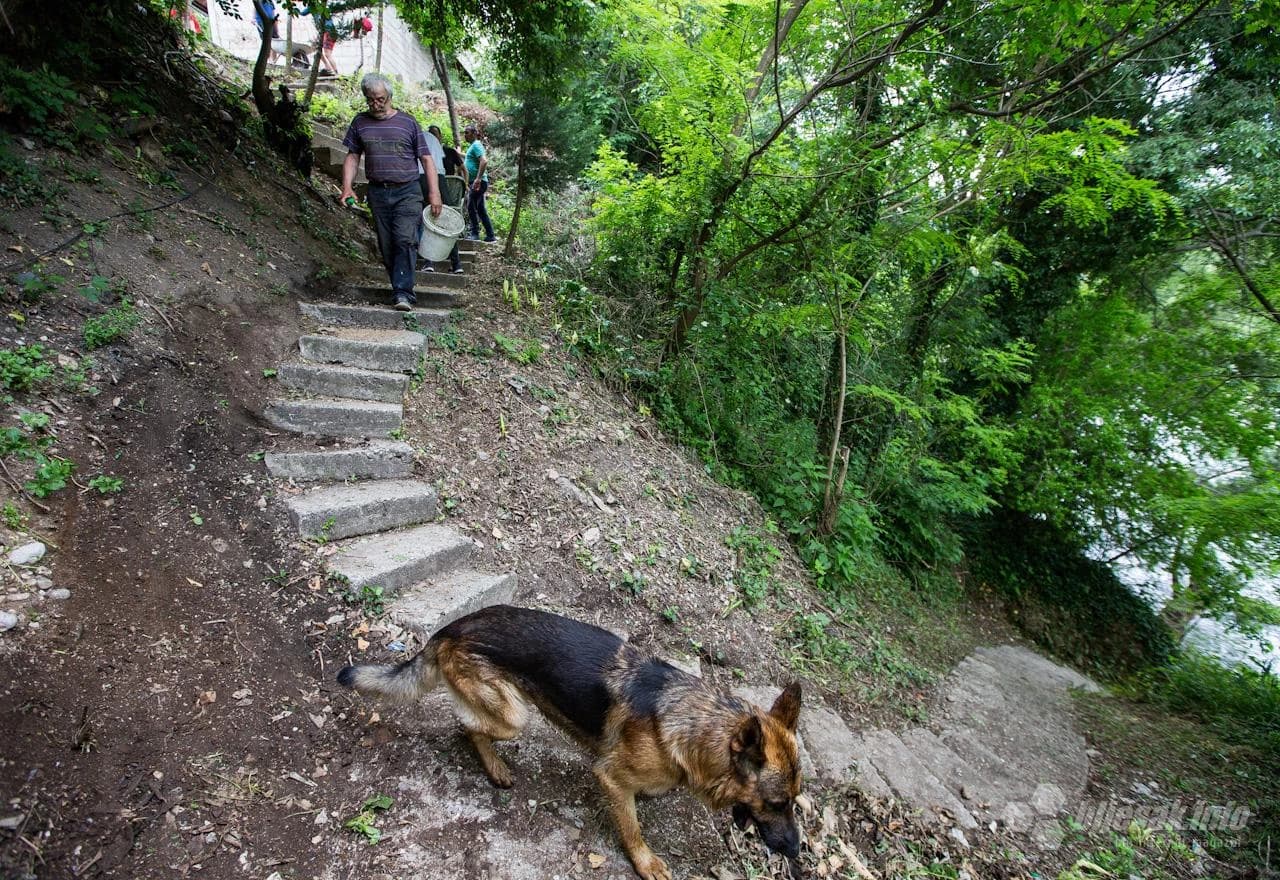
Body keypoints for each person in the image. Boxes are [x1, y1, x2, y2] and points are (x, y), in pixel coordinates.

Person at [341, 74, 443, 311]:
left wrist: (434, 194)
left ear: (389, 96)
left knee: (405, 239)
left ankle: (403, 293)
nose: (375, 105)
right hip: (378, 192)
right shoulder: (360, 122)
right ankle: (399, 286)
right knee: (387, 245)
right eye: (370, 100)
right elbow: (353, 156)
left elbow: (426, 159)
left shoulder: (408, 123)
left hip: (408, 191)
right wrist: (347, 187)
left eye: (380, 99)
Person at [425, 124, 465, 274]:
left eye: (435, 134)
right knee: (434, 220)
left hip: (432, 180)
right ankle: (437, 262)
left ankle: (454, 263)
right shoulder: (434, 146)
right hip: (436, 180)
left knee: (441, 219)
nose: (433, 136)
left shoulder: (434, 146)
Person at [463, 124, 496, 243]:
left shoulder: (476, 145)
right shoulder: (473, 146)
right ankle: (490, 235)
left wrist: (478, 179)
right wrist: (459, 154)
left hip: (478, 182)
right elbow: (470, 158)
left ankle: (475, 234)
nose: (465, 135)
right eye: (464, 132)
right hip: (477, 182)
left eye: (467, 132)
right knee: (480, 209)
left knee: (471, 206)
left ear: (474, 134)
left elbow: (484, 161)